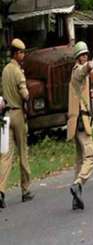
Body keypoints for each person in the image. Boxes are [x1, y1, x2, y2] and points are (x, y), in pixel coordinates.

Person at [0, 38, 34, 208]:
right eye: (21, 52)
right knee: (23, 153)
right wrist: (27, 91)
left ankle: (1, 191)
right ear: (16, 53)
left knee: (5, 155)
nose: (23, 55)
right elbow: (25, 95)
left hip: (5, 116)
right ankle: (25, 190)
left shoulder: (5, 71)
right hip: (18, 114)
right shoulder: (17, 71)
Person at [67, 41, 93, 210]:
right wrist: (88, 65)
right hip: (80, 122)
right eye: (82, 55)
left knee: (79, 160)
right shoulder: (77, 71)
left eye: (86, 55)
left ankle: (75, 199)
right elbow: (82, 71)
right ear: (78, 58)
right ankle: (78, 184)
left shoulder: (80, 74)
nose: (85, 57)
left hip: (77, 121)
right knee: (91, 157)